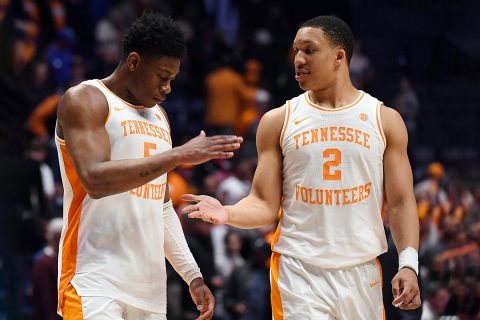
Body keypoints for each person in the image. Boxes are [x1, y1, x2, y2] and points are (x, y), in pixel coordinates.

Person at [182, 15, 421, 319]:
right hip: (299, 273)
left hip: (362, 272)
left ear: (339, 56)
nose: (298, 59)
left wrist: (409, 264)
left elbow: (401, 202)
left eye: (309, 50)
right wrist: (227, 212)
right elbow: (264, 204)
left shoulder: (384, 120)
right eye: (295, 50)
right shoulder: (277, 121)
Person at [55, 13, 243, 320]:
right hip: (93, 282)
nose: (167, 88)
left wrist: (192, 275)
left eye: (172, 79)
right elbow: (95, 181)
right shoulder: (86, 99)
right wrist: (178, 156)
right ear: (133, 62)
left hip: (150, 291)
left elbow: (162, 206)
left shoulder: (160, 117)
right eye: (162, 76)